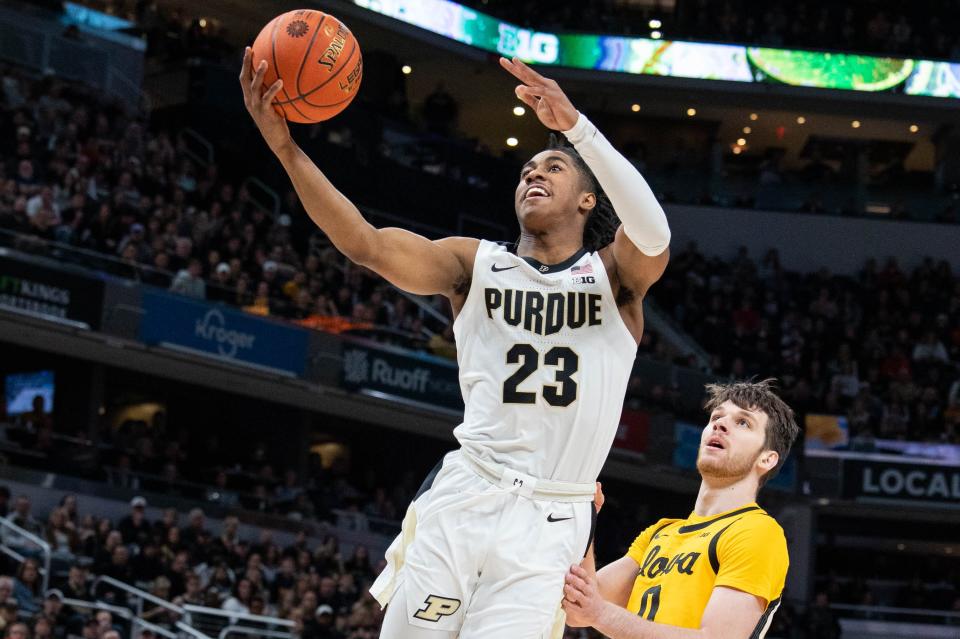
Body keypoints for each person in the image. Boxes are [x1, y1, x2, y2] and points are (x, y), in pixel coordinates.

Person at [241, 51, 670, 639]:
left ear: (588, 200)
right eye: (525, 171)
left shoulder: (615, 278)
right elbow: (366, 244)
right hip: (469, 490)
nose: (532, 175)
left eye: (553, 168)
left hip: (553, 516)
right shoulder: (475, 264)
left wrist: (577, 129)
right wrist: (286, 149)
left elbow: (655, 231)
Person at [560, 380, 799, 639]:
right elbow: (579, 607)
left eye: (743, 422)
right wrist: (587, 519)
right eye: (717, 417)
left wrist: (601, 614)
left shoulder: (757, 532)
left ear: (767, 458)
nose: (720, 424)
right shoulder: (661, 532)